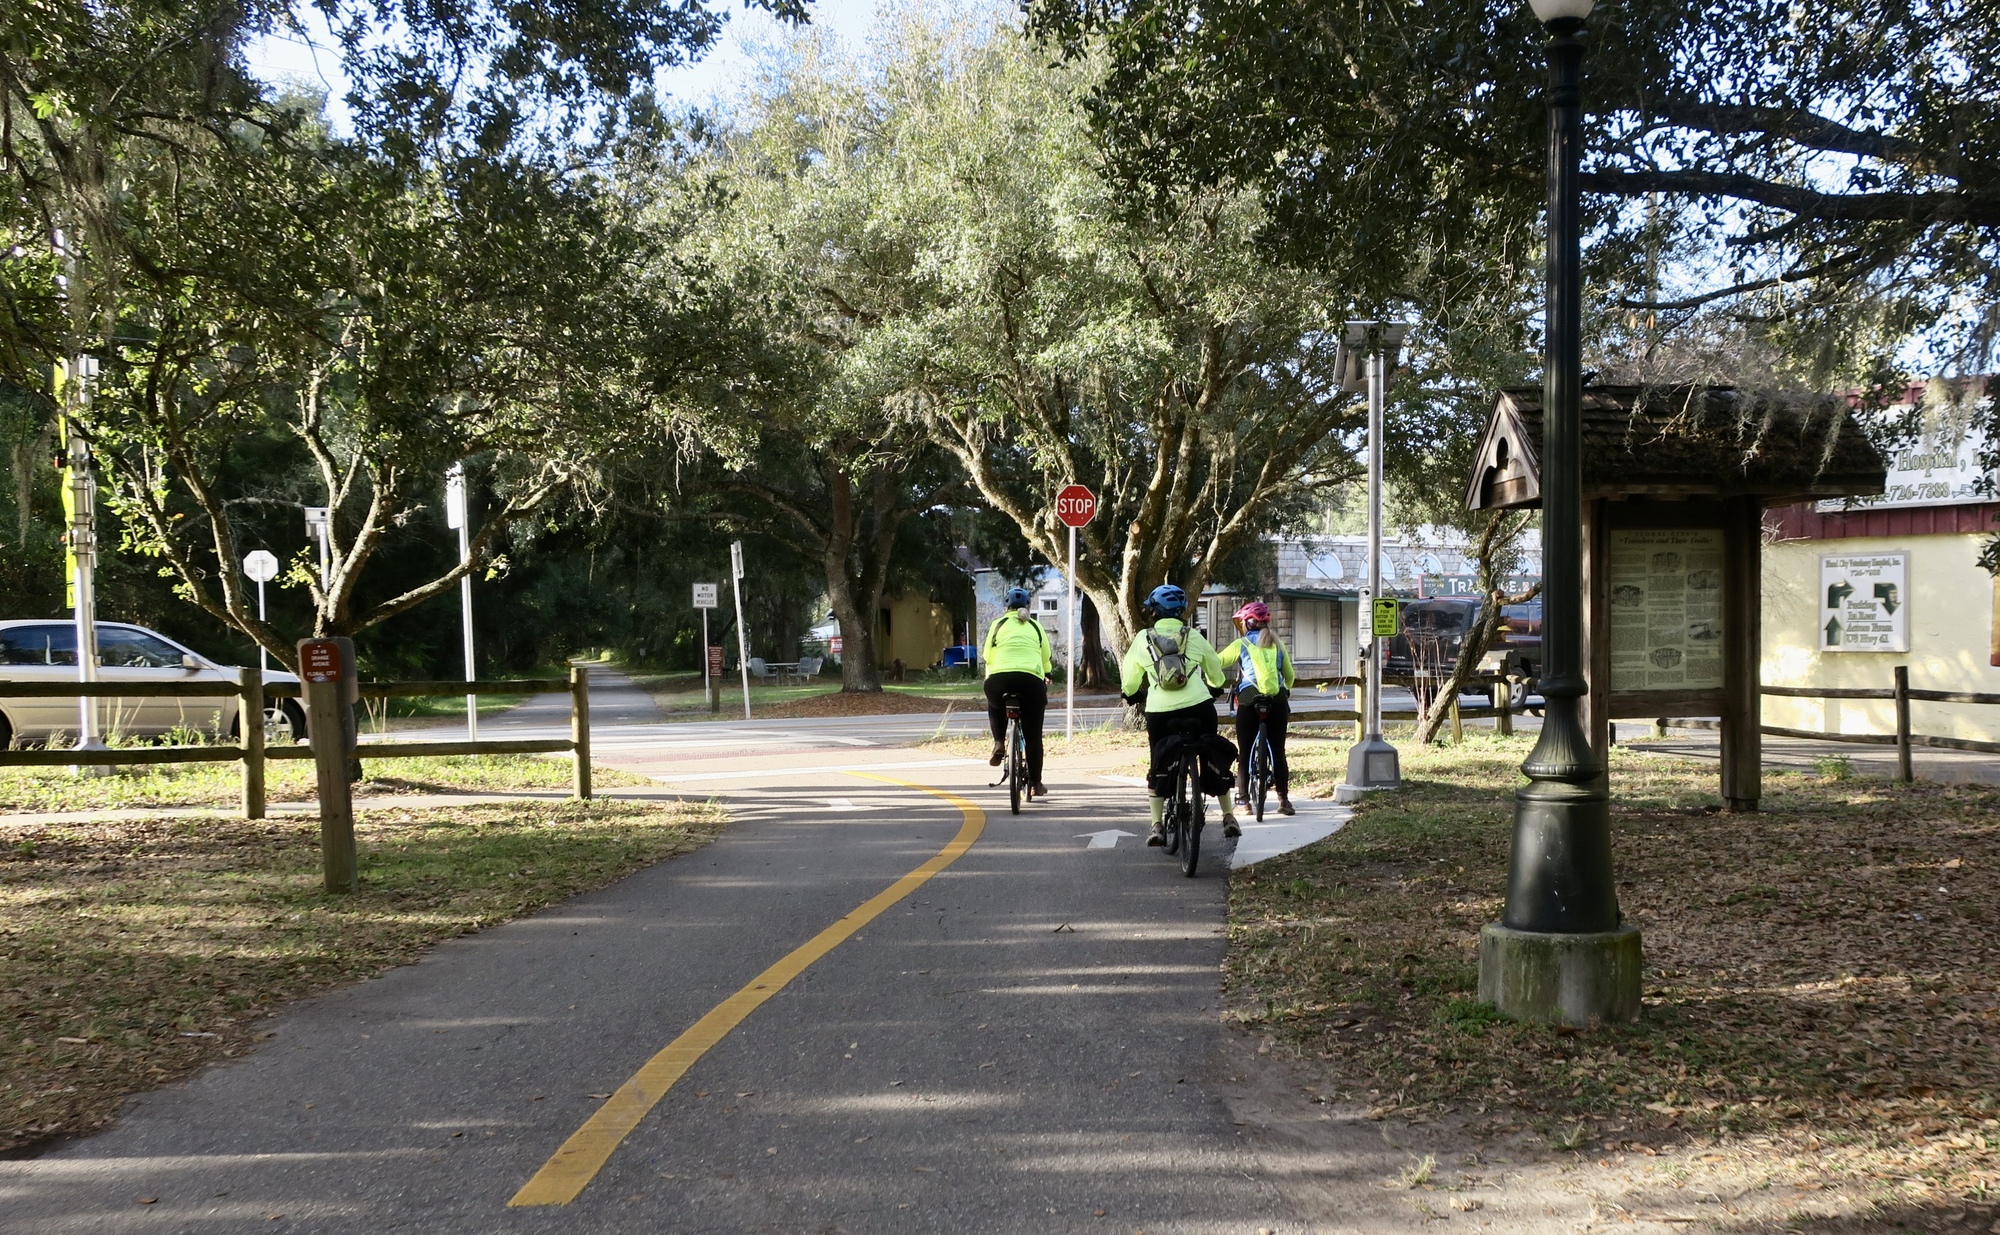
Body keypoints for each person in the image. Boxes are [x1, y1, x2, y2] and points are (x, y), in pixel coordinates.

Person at [1119, 583, 1237, 845]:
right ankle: (1228, 816)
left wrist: (1132, 694)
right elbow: (1216, 673)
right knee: (1211, 755)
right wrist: (1215, 687)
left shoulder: (1143, 638)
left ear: (1155, 612)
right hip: (1199, 707)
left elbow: (1129, 679)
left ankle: (1156, 825)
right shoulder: (1194, 636)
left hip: (1160, 712)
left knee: (1158, 762)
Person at [1219, 600, 1297, 816]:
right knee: (1279, 752)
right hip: (1276, 700)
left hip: (1249, 698)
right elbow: (1289, 677)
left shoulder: (1241, 644)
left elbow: (1217, 662)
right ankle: (1284, 800)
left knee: (1244, 753)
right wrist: (1285, 690)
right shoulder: (1278, 644)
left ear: (1247, 623)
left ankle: (1243, 802)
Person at [983, 585, 1052, 798]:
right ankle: (1036, 783)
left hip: (999, 680)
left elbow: (987, 656)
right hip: (1030, 682)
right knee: (1033, 737)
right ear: (1027, 606)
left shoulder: (998, 624)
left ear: (1006, 607)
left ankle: (998, 741)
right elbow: (1045, 657)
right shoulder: (1036, 626)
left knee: (995, 703)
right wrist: (1048, 672)